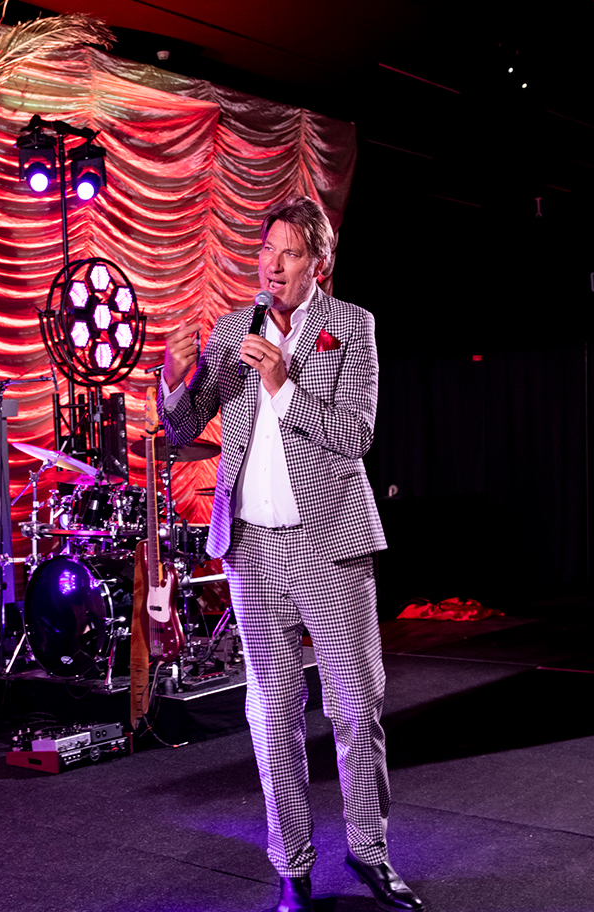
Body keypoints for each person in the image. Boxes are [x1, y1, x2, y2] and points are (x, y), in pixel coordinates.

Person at [160, 197, 423, 912]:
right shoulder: (231, 331)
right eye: (266, 251)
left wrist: (283, 383)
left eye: (290, 254)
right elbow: (183, 426)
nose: (272, 266)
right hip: (251, 550)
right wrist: (174, 379)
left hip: (329, 545)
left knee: (354, 708)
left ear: (319, 264)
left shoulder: (352, 326)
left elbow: (357, 434)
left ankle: (369, 852)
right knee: (271, 713)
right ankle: (292, 869)